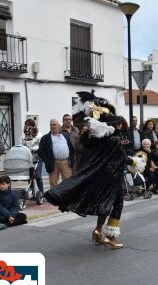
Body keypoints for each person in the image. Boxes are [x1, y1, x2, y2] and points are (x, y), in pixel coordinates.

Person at [45, 91, 131, 249]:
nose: (119, 125)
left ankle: (98, 231)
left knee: (105, 203)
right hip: (111, 177)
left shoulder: (96, 138)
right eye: (117, 122)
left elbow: (84, 147)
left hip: (99, 176)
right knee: (117, 204)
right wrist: (137, 161)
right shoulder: (114, 140)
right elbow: (123, 158)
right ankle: (110, 237)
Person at [39, 119, 75, 189]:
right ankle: (53, 199)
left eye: (54, 125)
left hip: (66, 163)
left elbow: (71, 148)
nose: (52, 126)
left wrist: (71, 159)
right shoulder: (45, 138)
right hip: (53, 163)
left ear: (59, 126)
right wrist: (47, 161)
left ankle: (66, 199)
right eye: (51, 125)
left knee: (68, 182)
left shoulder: (65, 136)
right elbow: (40, 151)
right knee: (53, 183)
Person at [21, 118, 44, 198]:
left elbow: (41, 146)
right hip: (28, 159)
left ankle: (41, 193)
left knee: (38, 176)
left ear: (33, 125)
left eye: (29, 125)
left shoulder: (39, 135)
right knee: (30, 177)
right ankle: (31, 194)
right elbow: (22, 145)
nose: (28, 127)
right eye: (26, 125)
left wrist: (33, 149)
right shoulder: (24, 136)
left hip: (37, 158)